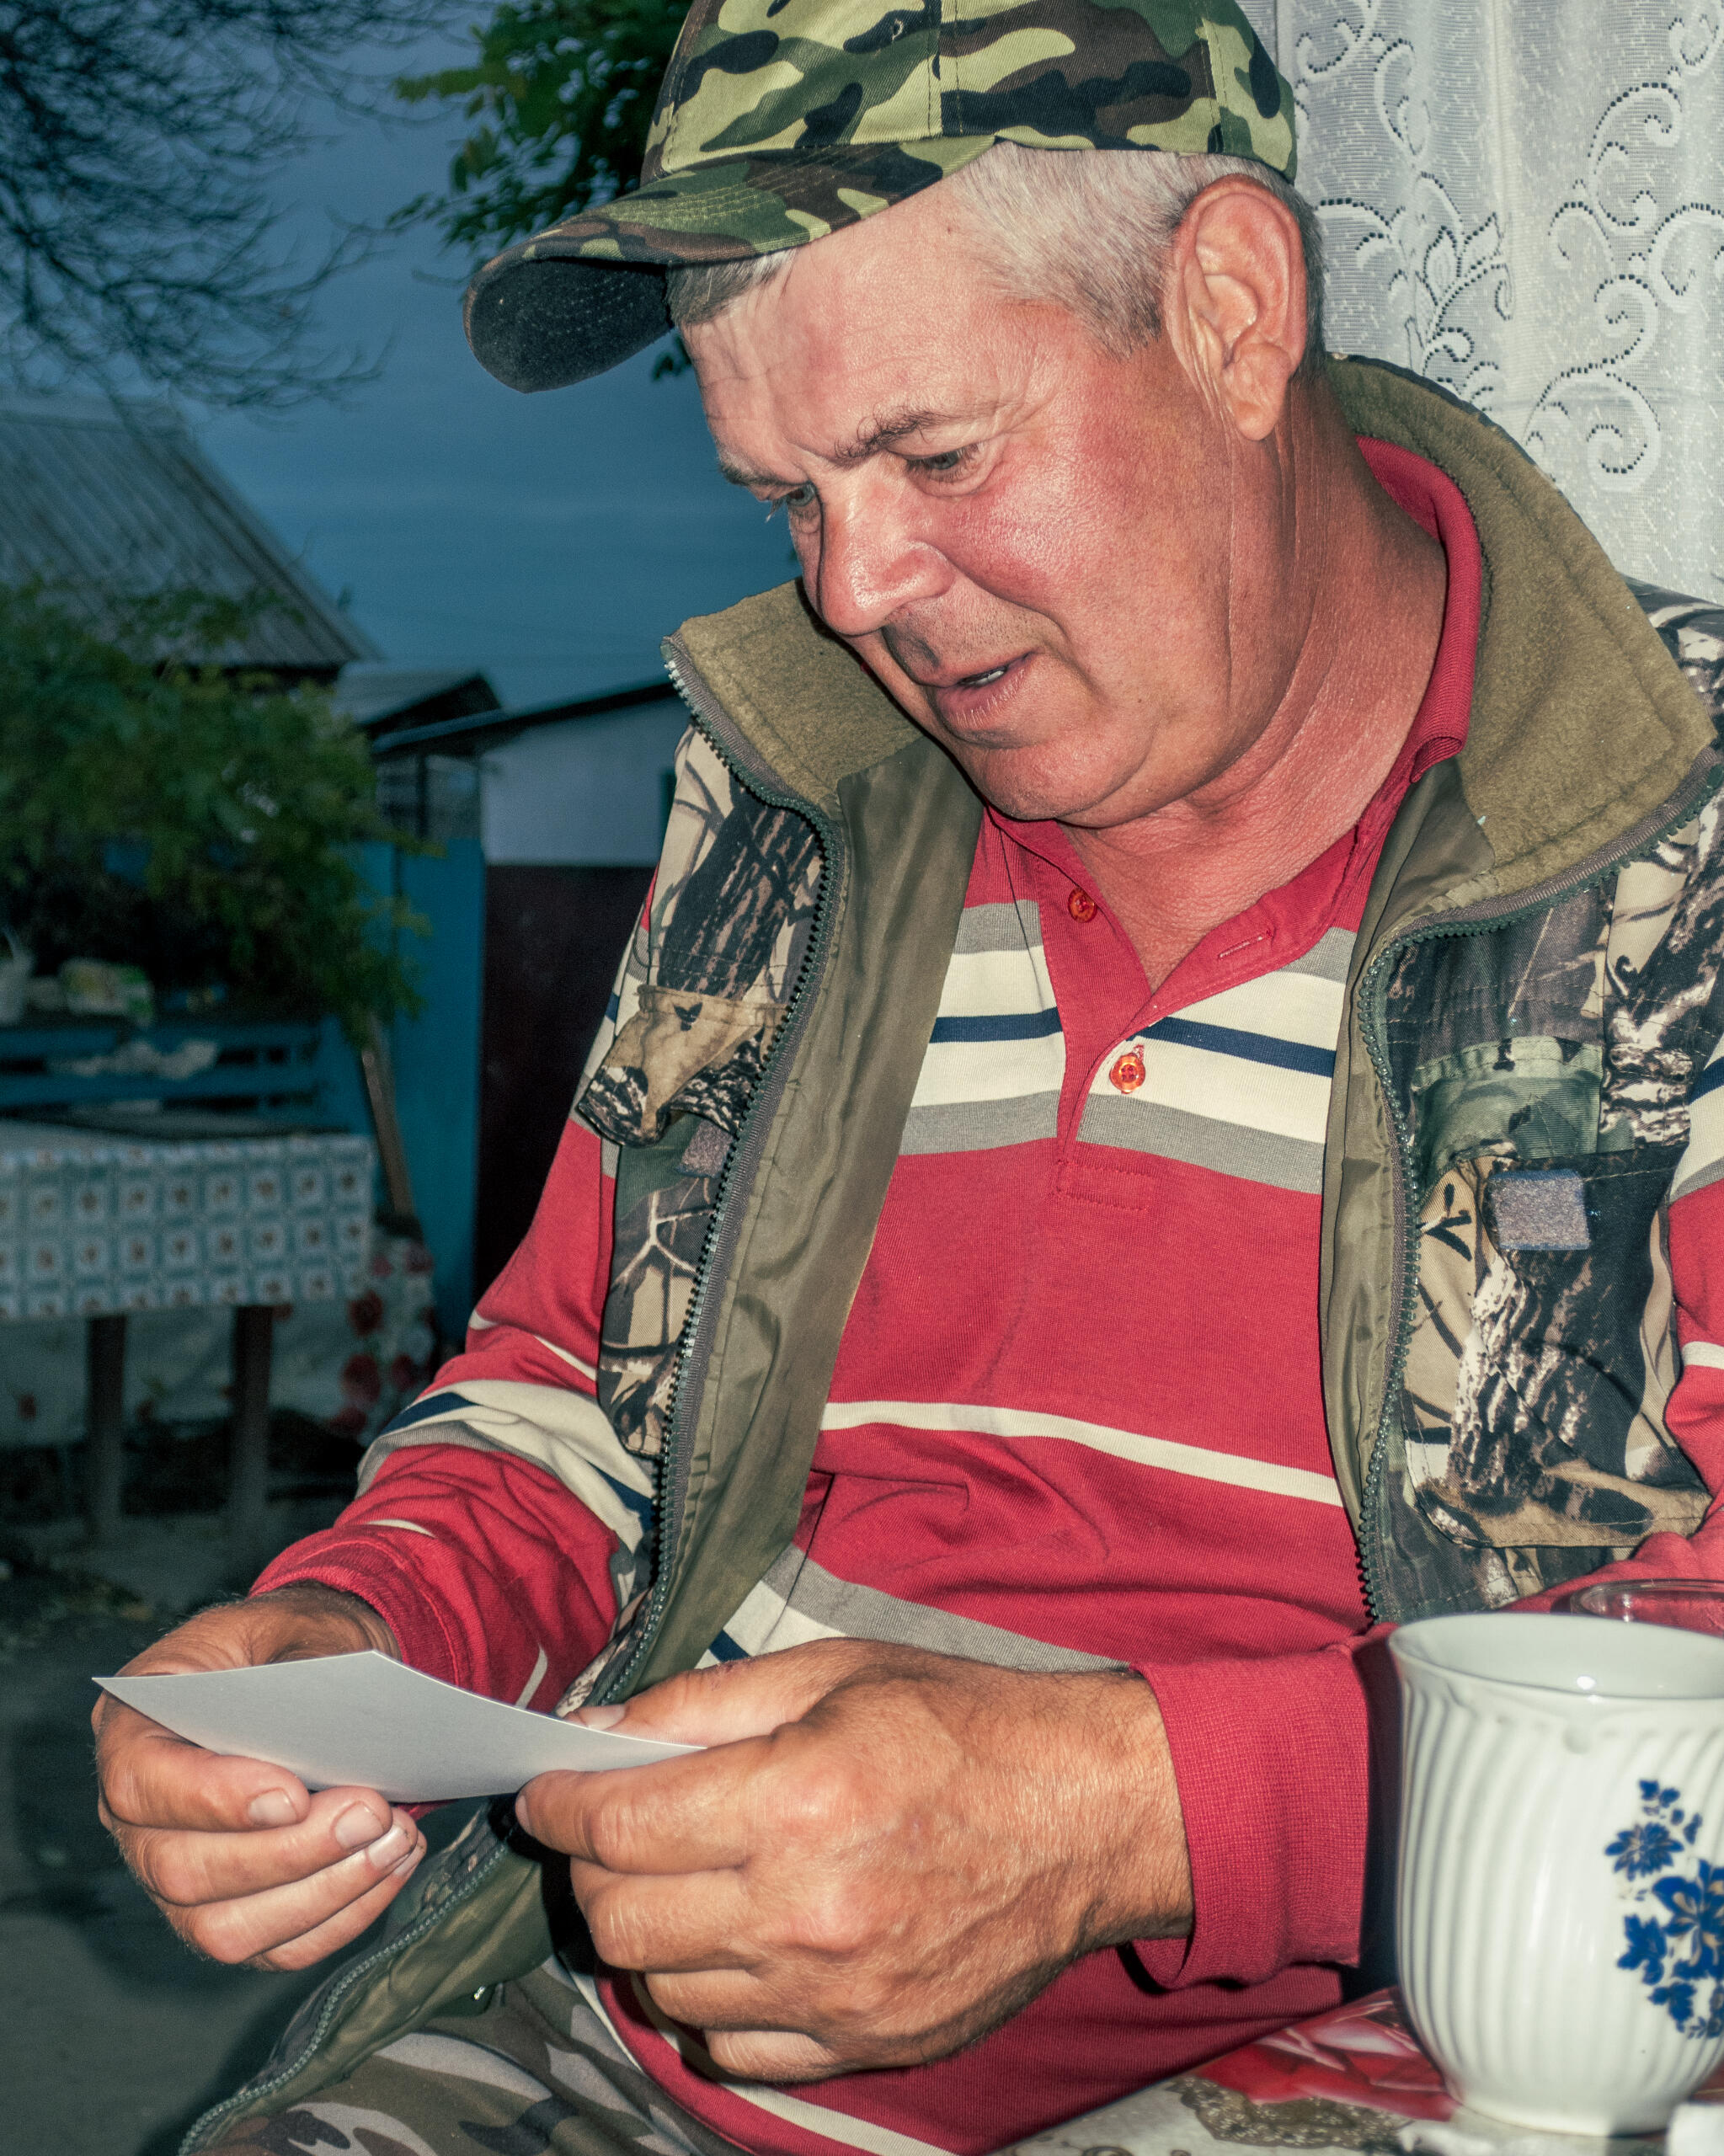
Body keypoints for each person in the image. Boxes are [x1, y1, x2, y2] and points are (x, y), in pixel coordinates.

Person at [94, 3, 1724, 2152]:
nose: (858, 590)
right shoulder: (795, 806)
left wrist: (1120, 1816)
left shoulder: (1671, 844)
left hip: (1393, 2071)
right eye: (789, 496)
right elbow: (583, 1391)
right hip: (637, 2058)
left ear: (1234, 311)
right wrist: (352, 1628)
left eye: (938, 456)